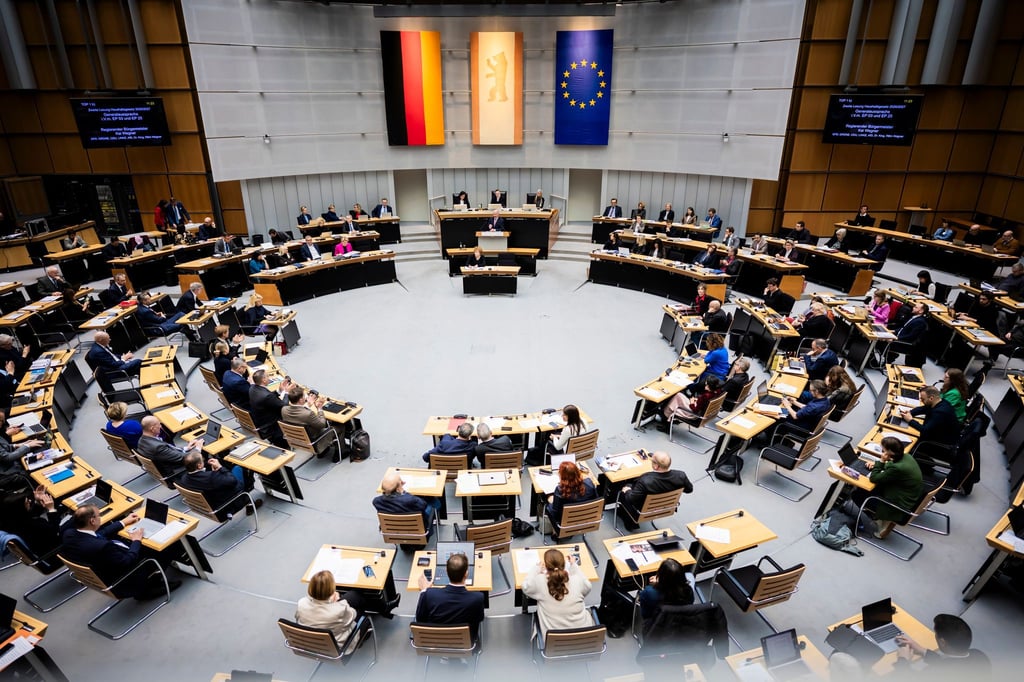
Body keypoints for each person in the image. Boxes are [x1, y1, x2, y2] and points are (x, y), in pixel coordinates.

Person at [61, 505, 182, 599]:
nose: (100, 517)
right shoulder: (102, 547)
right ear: (92, 521)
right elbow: (128, 561)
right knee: (168, 545)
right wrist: (136, 540)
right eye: (99, 515)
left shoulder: (70, 534)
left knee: (128, 539)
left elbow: (99, 534)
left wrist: (123, 522)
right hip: (124, 579)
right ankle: (148, 586)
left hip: (105, 572)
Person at [521, 549, 594, 638]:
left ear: (546, 567)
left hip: (554, 642)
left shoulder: (540, 580)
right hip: (585, 637)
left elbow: (526, 587)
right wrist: (574, 566)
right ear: (564, 565)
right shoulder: (577, 580)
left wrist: (536, 569)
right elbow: (587, 586)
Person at [415, 553, 485, 641]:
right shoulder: (477, 598)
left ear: (446, 572)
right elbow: (479, 619)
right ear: (466, 574)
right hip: (464, 643)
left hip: (435, 642)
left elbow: (420, 619)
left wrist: (423, 591)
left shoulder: (429, 595)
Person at [616, 451, 693, 531]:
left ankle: (629, 521)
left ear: (656, 466)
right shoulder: (681, 476)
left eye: (652, 461)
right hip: (665, 508)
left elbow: (631, 499)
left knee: (623, 489)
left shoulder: (645, 480)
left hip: (642, 511)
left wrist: (627, 490)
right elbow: (689, 490)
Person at [895, 614, 990, 676]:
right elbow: (947, 663)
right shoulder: (979, 656)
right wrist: (922, 651)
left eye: (935, 634)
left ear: (943, 642)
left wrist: (903, 660)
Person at [296, 570, 364, 652]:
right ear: (332, 591)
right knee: (357, 603)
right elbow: (353, 614)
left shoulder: (301, 603)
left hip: (313, 643)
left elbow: (298, 618)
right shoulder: (339, 610)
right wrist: (339, 602)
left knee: (352, 596)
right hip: (339, 646)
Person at [180, 450, 255, 519]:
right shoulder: (211, 477)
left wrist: (216, 474)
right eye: (203, 460)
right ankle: (247, 500)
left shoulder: (184, 479)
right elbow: (233, 481)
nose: (204, 461)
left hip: (210, 505)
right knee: (237, 468)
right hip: (225, 505)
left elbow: (210, 483)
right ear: (199, 466)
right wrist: (220, 467)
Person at [0, 487, 64, 559]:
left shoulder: (12, 521)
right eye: (27, 502)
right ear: (21, 509)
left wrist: (37, 502)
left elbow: (29, 515)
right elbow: (54, 530)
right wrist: (51, 509)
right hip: (56, 552)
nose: (30, 500)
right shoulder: (36, 525)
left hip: (42, 548)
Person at [373, 471, 440, 538]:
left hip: (394, 532)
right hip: (418, 532)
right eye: (401, 481)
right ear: (398, 488)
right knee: (435, 503)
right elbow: (423, 505)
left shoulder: (377, 502)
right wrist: (404, 492)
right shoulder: (412, 500)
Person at [137, 415, 201, 479]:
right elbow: (185, 458)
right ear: (152, 429)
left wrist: (186, 448)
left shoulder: (142, 440)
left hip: (169, 462)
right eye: (159, 425)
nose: (160, 427)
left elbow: (168, 451)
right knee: (203, 456)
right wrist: (198, 448)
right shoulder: (157, 447)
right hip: (177, 470)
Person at [544, 461, 598, 532]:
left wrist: (551, 500)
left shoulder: (560, 490)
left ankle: (553, 532)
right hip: (586, 519)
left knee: (548, 503)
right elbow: (596, 501)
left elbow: (555, 511)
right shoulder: (589, 483)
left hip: (565, 522)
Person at [248, 369, 292, 443]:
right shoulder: (267, 396)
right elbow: (284, 406)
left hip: (261, 420)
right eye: (268, 376)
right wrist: (286, 393)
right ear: (263, 380)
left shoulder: (252, 388)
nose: (270, 378)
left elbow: (269, 399)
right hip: (271, 425)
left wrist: (279, 391)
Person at [1, 409, 44, 474]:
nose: (2, 423)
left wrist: (18, 445)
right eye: (0, 421)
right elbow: (8, 457)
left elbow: (2, 447)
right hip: (7, 472)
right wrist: (27, 446)